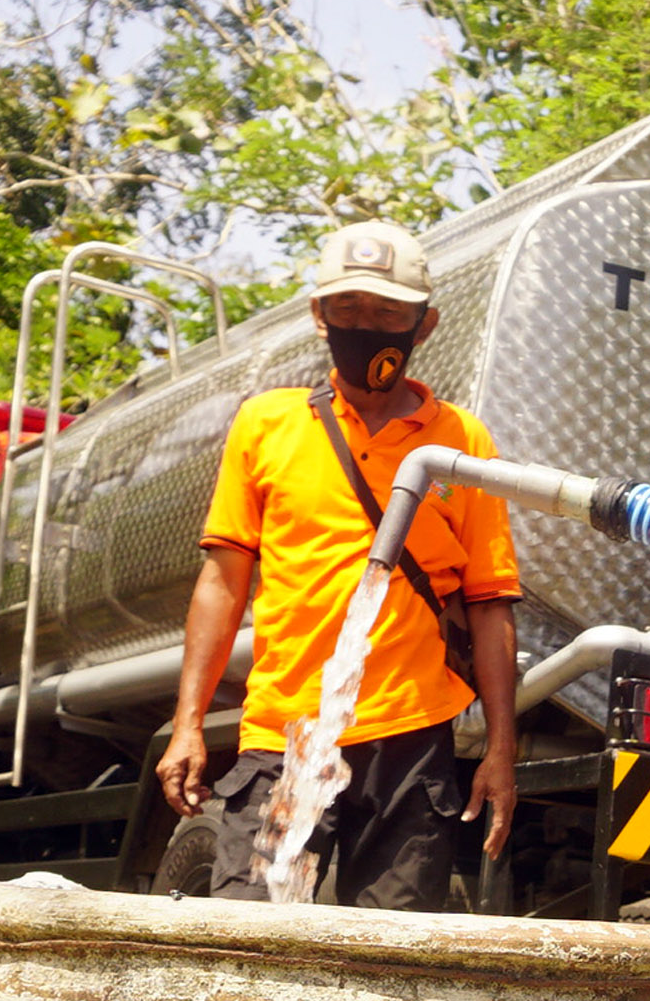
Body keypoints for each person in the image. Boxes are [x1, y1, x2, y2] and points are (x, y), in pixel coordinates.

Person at [154, 221, 520, 906]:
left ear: (425, 324)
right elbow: (222, 581)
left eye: (387, 311)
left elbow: (490, 601)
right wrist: (188, 723)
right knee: (247, 942)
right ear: (318, 317)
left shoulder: (461, 441)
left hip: (411, 740)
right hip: (284, 734)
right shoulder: (266, 423)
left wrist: (502, 749)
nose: (366, 325)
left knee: (386, 962)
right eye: (347, 308)